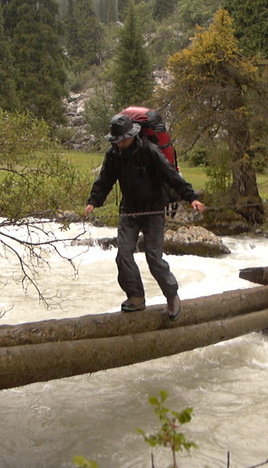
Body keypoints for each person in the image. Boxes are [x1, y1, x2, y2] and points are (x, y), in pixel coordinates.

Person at [84, 113, 205, 320]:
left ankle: (172, 296)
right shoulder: (113, 154)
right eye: (117, 140)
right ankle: (136, 297)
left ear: (131, 135)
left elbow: (170, 174)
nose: (120, 143)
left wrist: (190, 197)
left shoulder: (149, 150)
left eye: (122, 139)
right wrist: (94, 201)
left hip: (153, 210)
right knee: (123, 254)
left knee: (153, 258)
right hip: (129, 210)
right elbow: (105, 179)